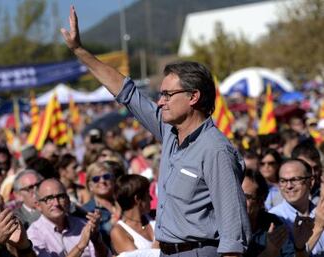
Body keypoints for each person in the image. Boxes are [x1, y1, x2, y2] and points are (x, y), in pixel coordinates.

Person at [61, 6, 250, 256]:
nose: (160, 101)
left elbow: (233, 230)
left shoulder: (215, 150)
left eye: (168, 95)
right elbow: (126, 92)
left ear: (194, 96)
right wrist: (79, 51)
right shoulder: (171, 132)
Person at [27, 178, 110, 257]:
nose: (56, 203)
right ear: (38, 205)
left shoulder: (82, 225)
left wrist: (95, 239)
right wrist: (80, 246)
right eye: (49, 199)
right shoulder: (34, 234)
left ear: (68, 200)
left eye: (61, 197)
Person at [270, 159, 323, 256]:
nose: (289, 186)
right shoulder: (274, 218)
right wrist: (318, 227)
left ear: (311, 182)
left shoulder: (320, 213)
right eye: (283, 181)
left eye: (295, 180)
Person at [242, 169, 295, 256]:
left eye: (246, 197)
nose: (239, 201)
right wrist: (268, 253)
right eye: (237, 195)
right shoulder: (221, 226)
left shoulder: (272, 224)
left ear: (261, 202)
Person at [111, 174, 156, 254]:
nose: (151, 198)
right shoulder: (119, 232)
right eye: (147, 194)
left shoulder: (155, 215)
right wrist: (161, 240)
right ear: (137, 199)